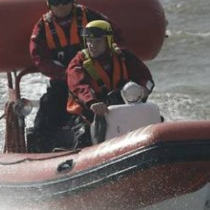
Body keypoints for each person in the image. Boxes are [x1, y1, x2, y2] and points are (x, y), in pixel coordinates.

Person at [28, 0, 122, 152]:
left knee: (118, 100)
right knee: (46, 116)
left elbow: (113, 35)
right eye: (56, 1)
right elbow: (40, 59)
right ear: (49, 3)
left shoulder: (89, 16)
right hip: (63, 82)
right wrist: (69, 75)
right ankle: (41, 154)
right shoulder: (42, 28)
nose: (61, 5)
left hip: (96, 78)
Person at [66, 20, 155, 148]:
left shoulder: (124, 57)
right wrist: (92, 102)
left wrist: (142, 90)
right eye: (89, 41)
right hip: (88, 114)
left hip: (121, 109)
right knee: (84, 136)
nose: (92, 46)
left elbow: (147, 80)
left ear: (108, 41)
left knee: (155, 123)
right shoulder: (78, 62)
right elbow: (78, 86)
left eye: (98, 42)